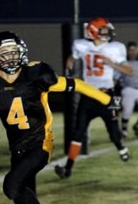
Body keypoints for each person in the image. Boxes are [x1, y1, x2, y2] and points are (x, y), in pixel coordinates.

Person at [0, 31, 116, 204]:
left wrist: (107, 100)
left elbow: (76, 84)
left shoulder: (35, 75)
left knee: (10, 186)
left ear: (21, 52)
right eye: (4, 53)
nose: (10, 56)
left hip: (39, 144)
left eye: (13, 51)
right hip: (17, 149)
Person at [55, 17, 132, 179]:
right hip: (88, 95)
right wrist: (68, 67)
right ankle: (68, 168)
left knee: (113, 131)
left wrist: (112, 64)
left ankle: (122, 149)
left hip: (108, 95)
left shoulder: (115, 48)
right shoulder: (81, 45)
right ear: (93, 32)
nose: (107, 33)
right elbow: (72, 57)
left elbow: (129, 71)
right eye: (103, 30)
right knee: (78, 132)